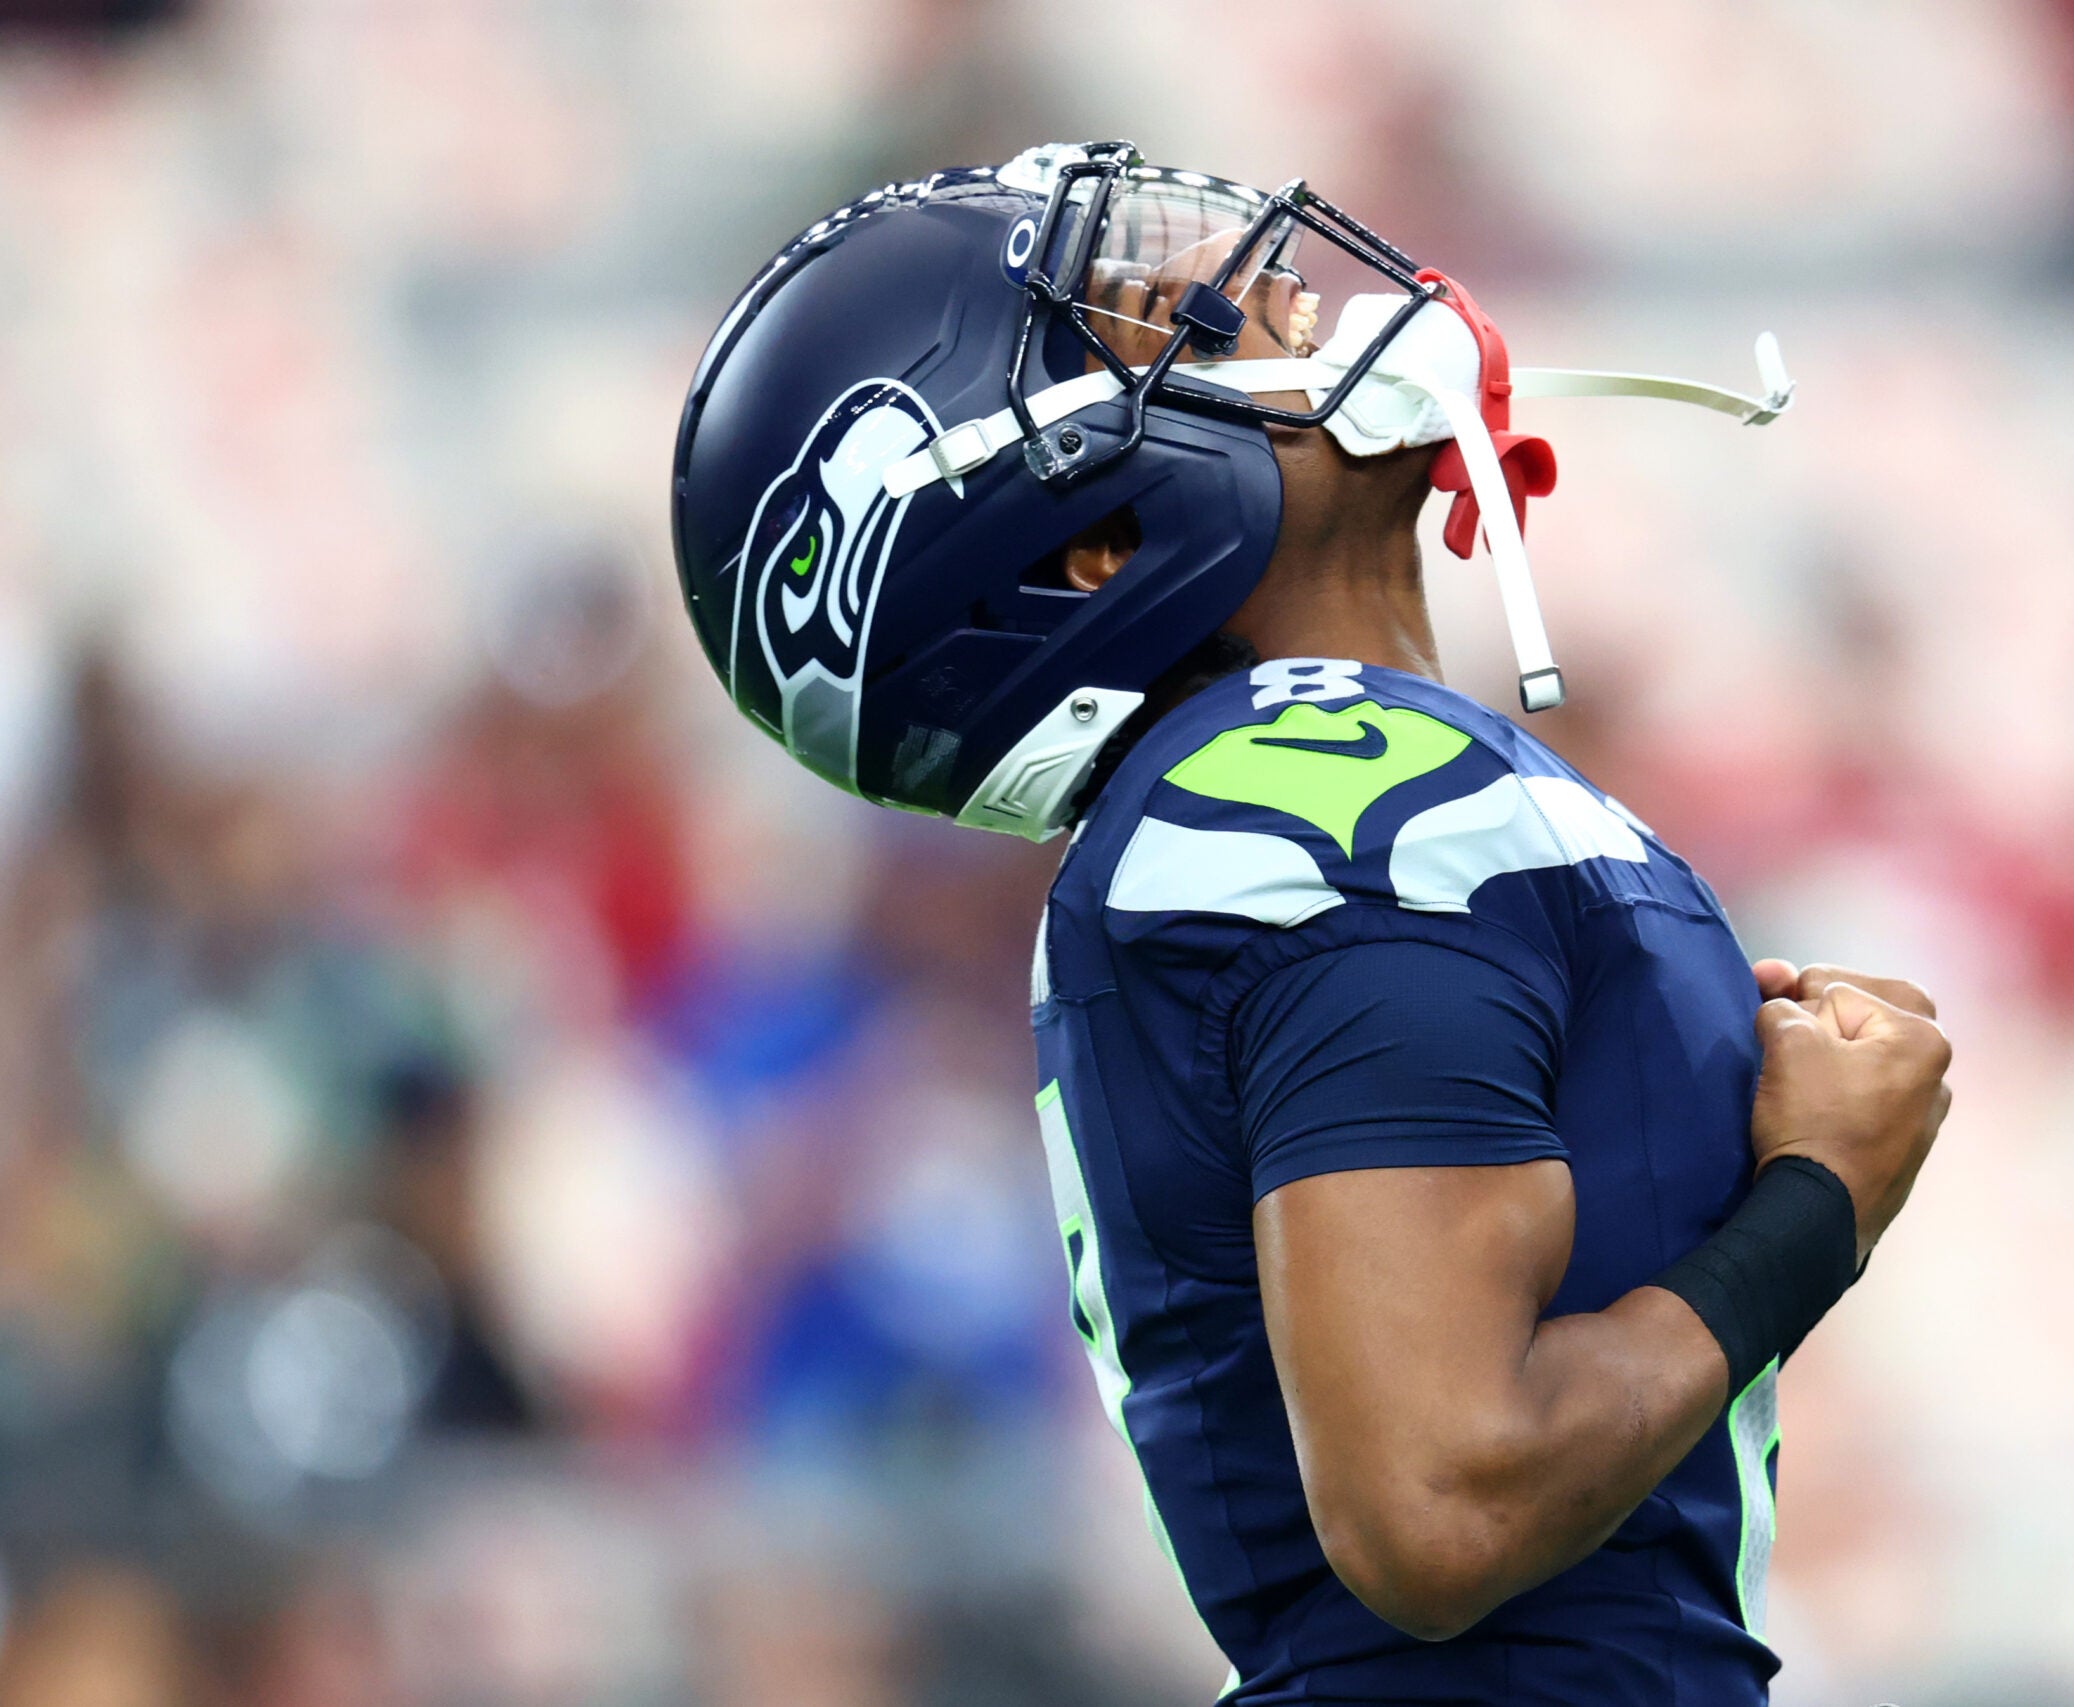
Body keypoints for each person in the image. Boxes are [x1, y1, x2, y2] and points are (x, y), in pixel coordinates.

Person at [671, 140, 1953, 1705]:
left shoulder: (1309, 786)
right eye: (1167, 326)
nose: (1272, 289)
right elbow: (1440, 1503)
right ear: (1089, 547)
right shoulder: (1312, 798)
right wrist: (1818, 1202)